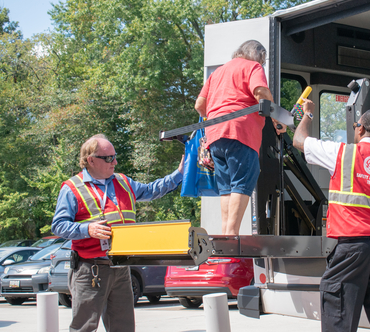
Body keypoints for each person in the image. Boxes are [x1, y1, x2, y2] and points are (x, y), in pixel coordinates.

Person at [293, 100, 370, 332]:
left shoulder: (342, 154)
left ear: (360, 128)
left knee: (340, 318)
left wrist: (307, 114)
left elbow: (298, 141)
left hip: (350, 250)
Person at [51, 134, 183, 332]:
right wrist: (87, 229)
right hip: (90, 270)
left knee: (123, 327)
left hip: (120, 268)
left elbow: (152, 190)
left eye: (115, 156)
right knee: (84, 328)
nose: (115, 161)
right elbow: (59, 226)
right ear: (91, 160)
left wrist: (180, 173)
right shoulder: (72, 188)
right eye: (109, 158)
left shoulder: (122, 181)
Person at [194, 40, 284, 235]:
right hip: (241, 132)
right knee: (242, 183)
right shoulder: (253, 67)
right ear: (257, 55)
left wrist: (217, 118)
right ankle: (232, 235)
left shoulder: (217, 72)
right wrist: (278, 118)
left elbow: (200, 106)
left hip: (215, 136)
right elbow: (260, 92)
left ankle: (226, 234)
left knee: (227, 187)